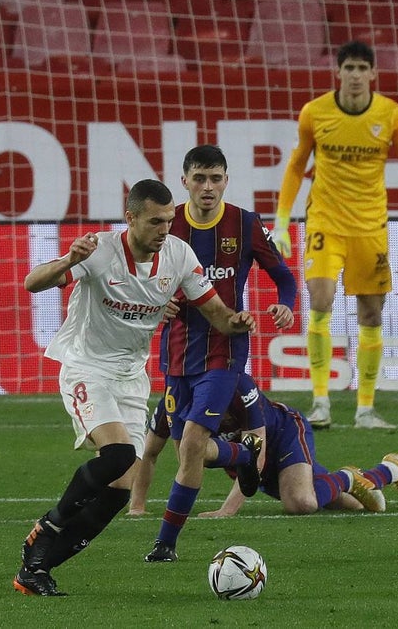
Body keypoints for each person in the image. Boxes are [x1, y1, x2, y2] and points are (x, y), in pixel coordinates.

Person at [13, 179, 256, 597]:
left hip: (131, 377)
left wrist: (238, 321)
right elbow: (32, 282)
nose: (164, 230)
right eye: (155, 222)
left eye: (168, 221)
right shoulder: (100, 252)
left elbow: (216, 313)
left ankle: (36, 569)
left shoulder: (178, 255)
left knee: (120, 490)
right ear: (130, 218)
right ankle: (47, 526)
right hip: (86, 368)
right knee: (120, 453)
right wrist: (67, 260)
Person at [272, 40, 398, 430]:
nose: (354, 75)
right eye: (348, 68)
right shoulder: (314, 113)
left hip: (371, 227)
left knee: (371, 313)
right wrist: (283, 221)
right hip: (325, 222)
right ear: (338, 72)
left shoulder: (389, 115)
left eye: (361, 68)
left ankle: (365, 409)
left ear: (373, 74)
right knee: (320, 300)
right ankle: (320, 402)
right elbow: (295, 166)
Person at [145, 144, 297, 564]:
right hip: (176, 352)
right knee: (187, 452)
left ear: (226, 181)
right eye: (199, 178)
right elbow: (141, 275)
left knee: (193, 440)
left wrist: (286, 303)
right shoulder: (167, 224)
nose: (207, 187)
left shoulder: (245, 224)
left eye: (215, 179)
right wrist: (160, 304)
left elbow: (284, 276)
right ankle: (243, 454)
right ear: (184, 181)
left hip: (224, 350)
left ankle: (165, 544)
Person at [129, 374, 398, 518]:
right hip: (249, 464)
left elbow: (255, 451)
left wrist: (227, 510)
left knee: (302, 503)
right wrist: (137, 507)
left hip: (283, 435)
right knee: (354, 507)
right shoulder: (173, 403)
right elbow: (149, 453)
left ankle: (350, 476)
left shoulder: (237, 388)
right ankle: (389, 470)